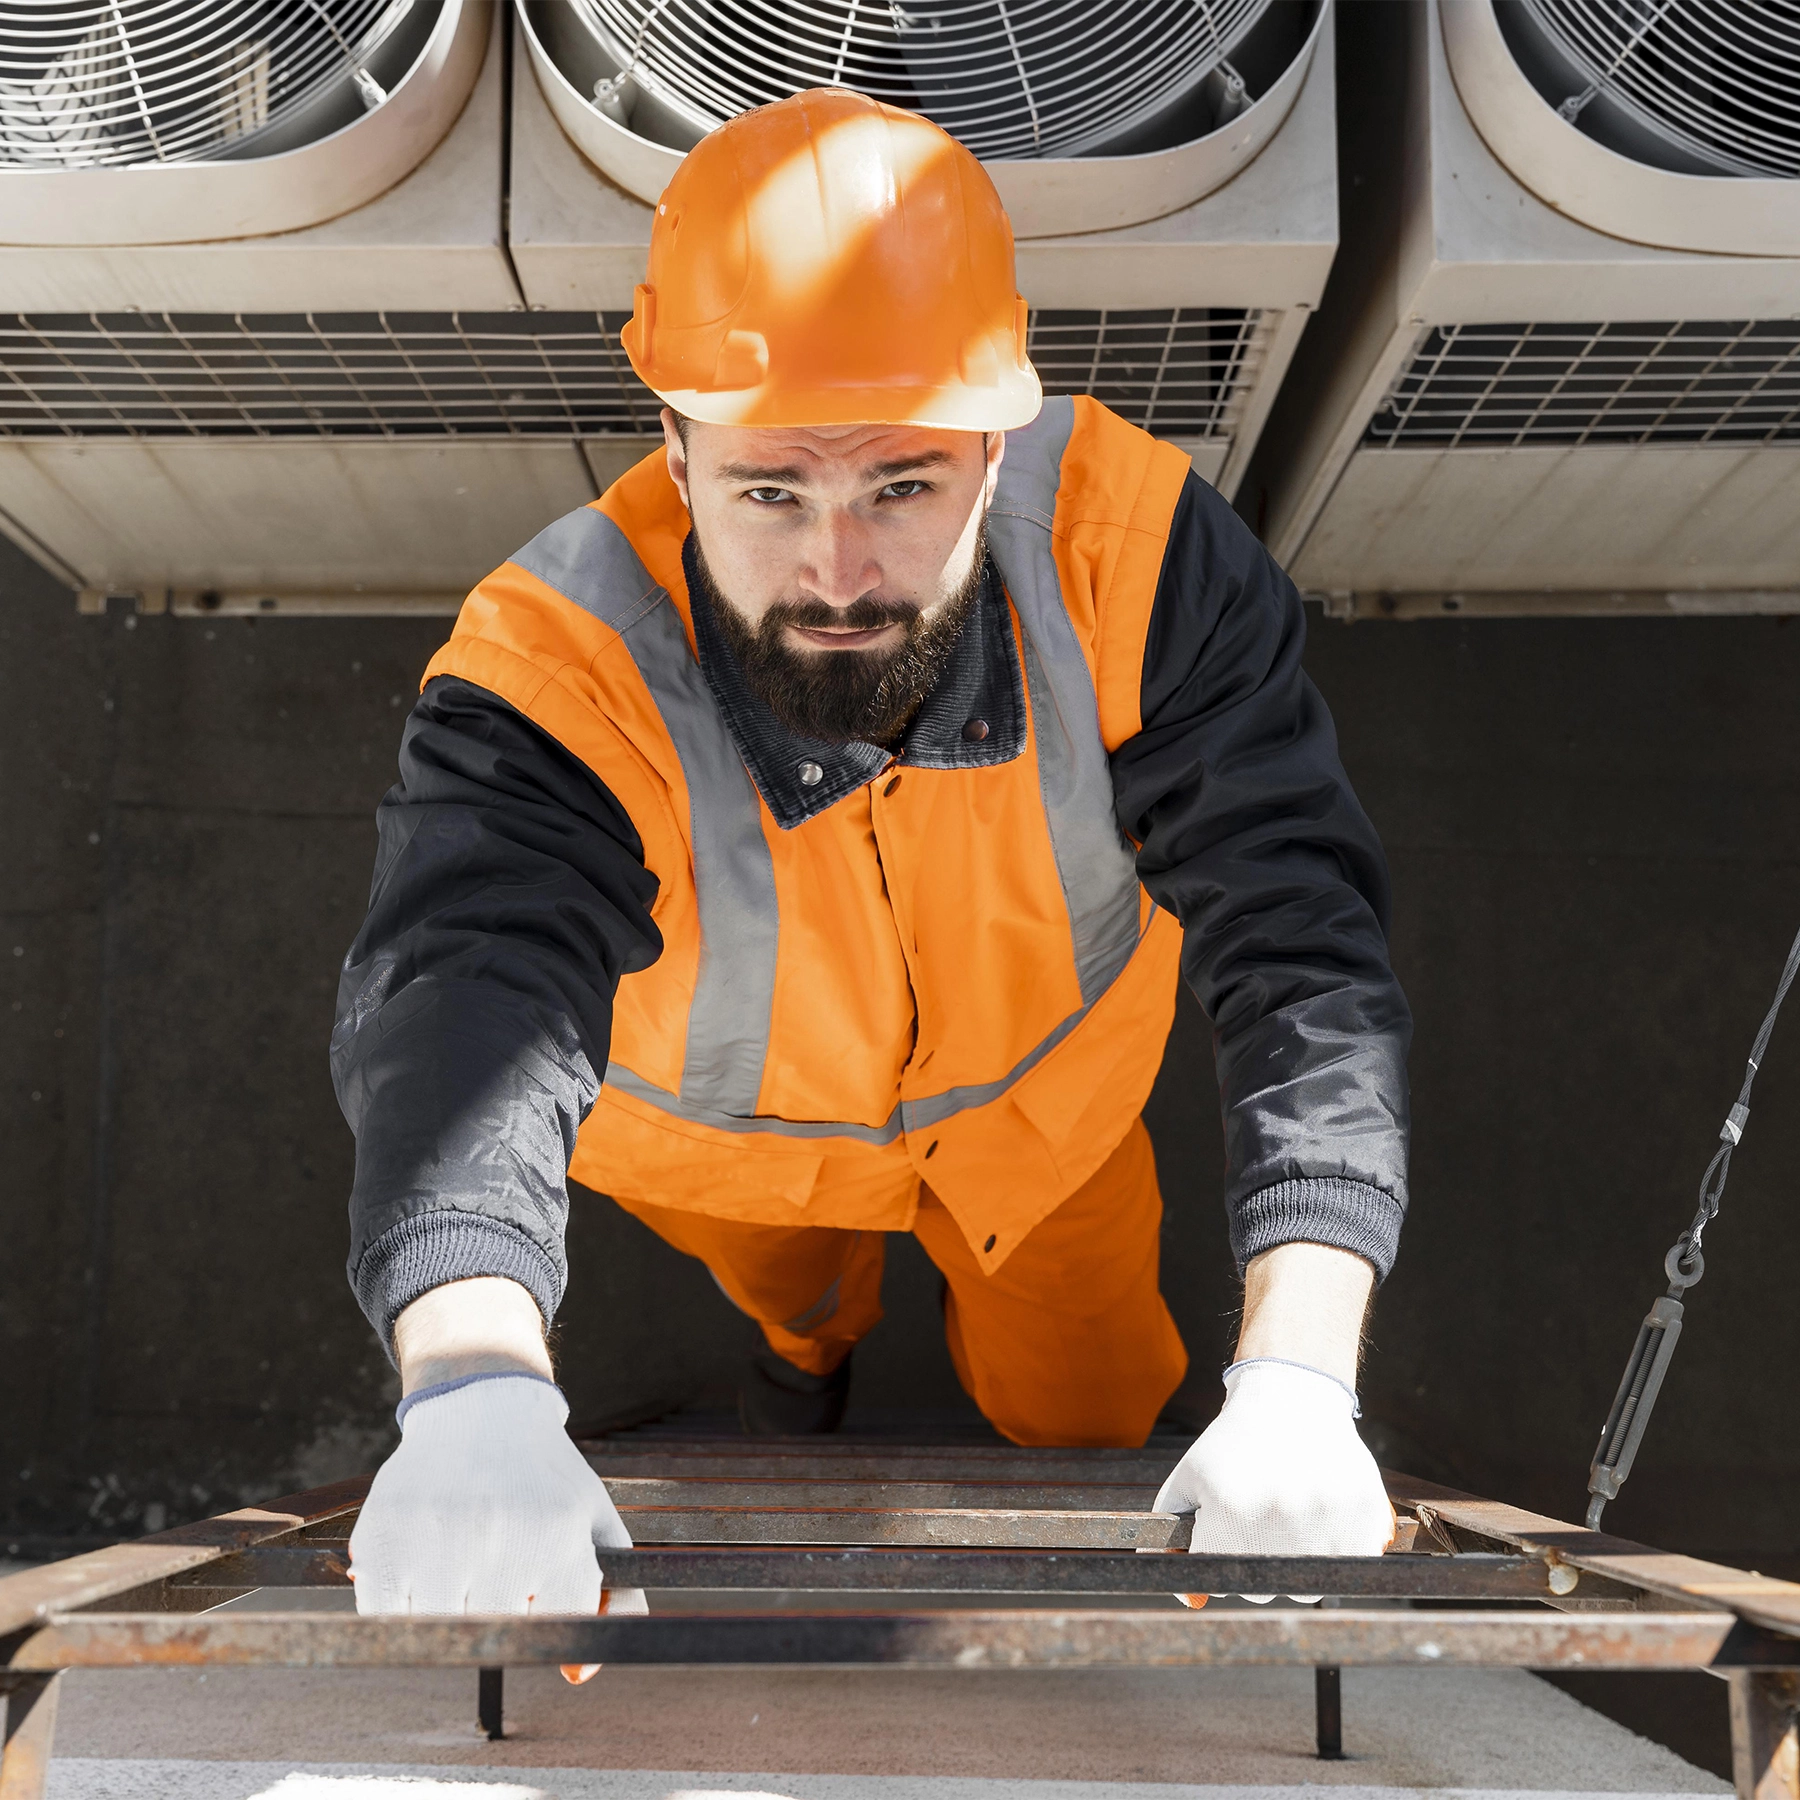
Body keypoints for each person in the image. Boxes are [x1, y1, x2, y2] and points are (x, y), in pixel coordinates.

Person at [333, 88, 1411, 1621]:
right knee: (795, 1292)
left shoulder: (1142, 557)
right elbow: (462, 1001)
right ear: (676, 447)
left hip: (1046, 1123)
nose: (836, 577)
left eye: (902, 486)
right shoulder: (553, 667)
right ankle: (805, 1359)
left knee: (1095, 1404)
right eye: (769, 490)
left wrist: (1303, 1368)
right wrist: (467, 1383)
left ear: (994, 438)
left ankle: (897, 1369)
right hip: (732, 1150)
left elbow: (1305, 946)